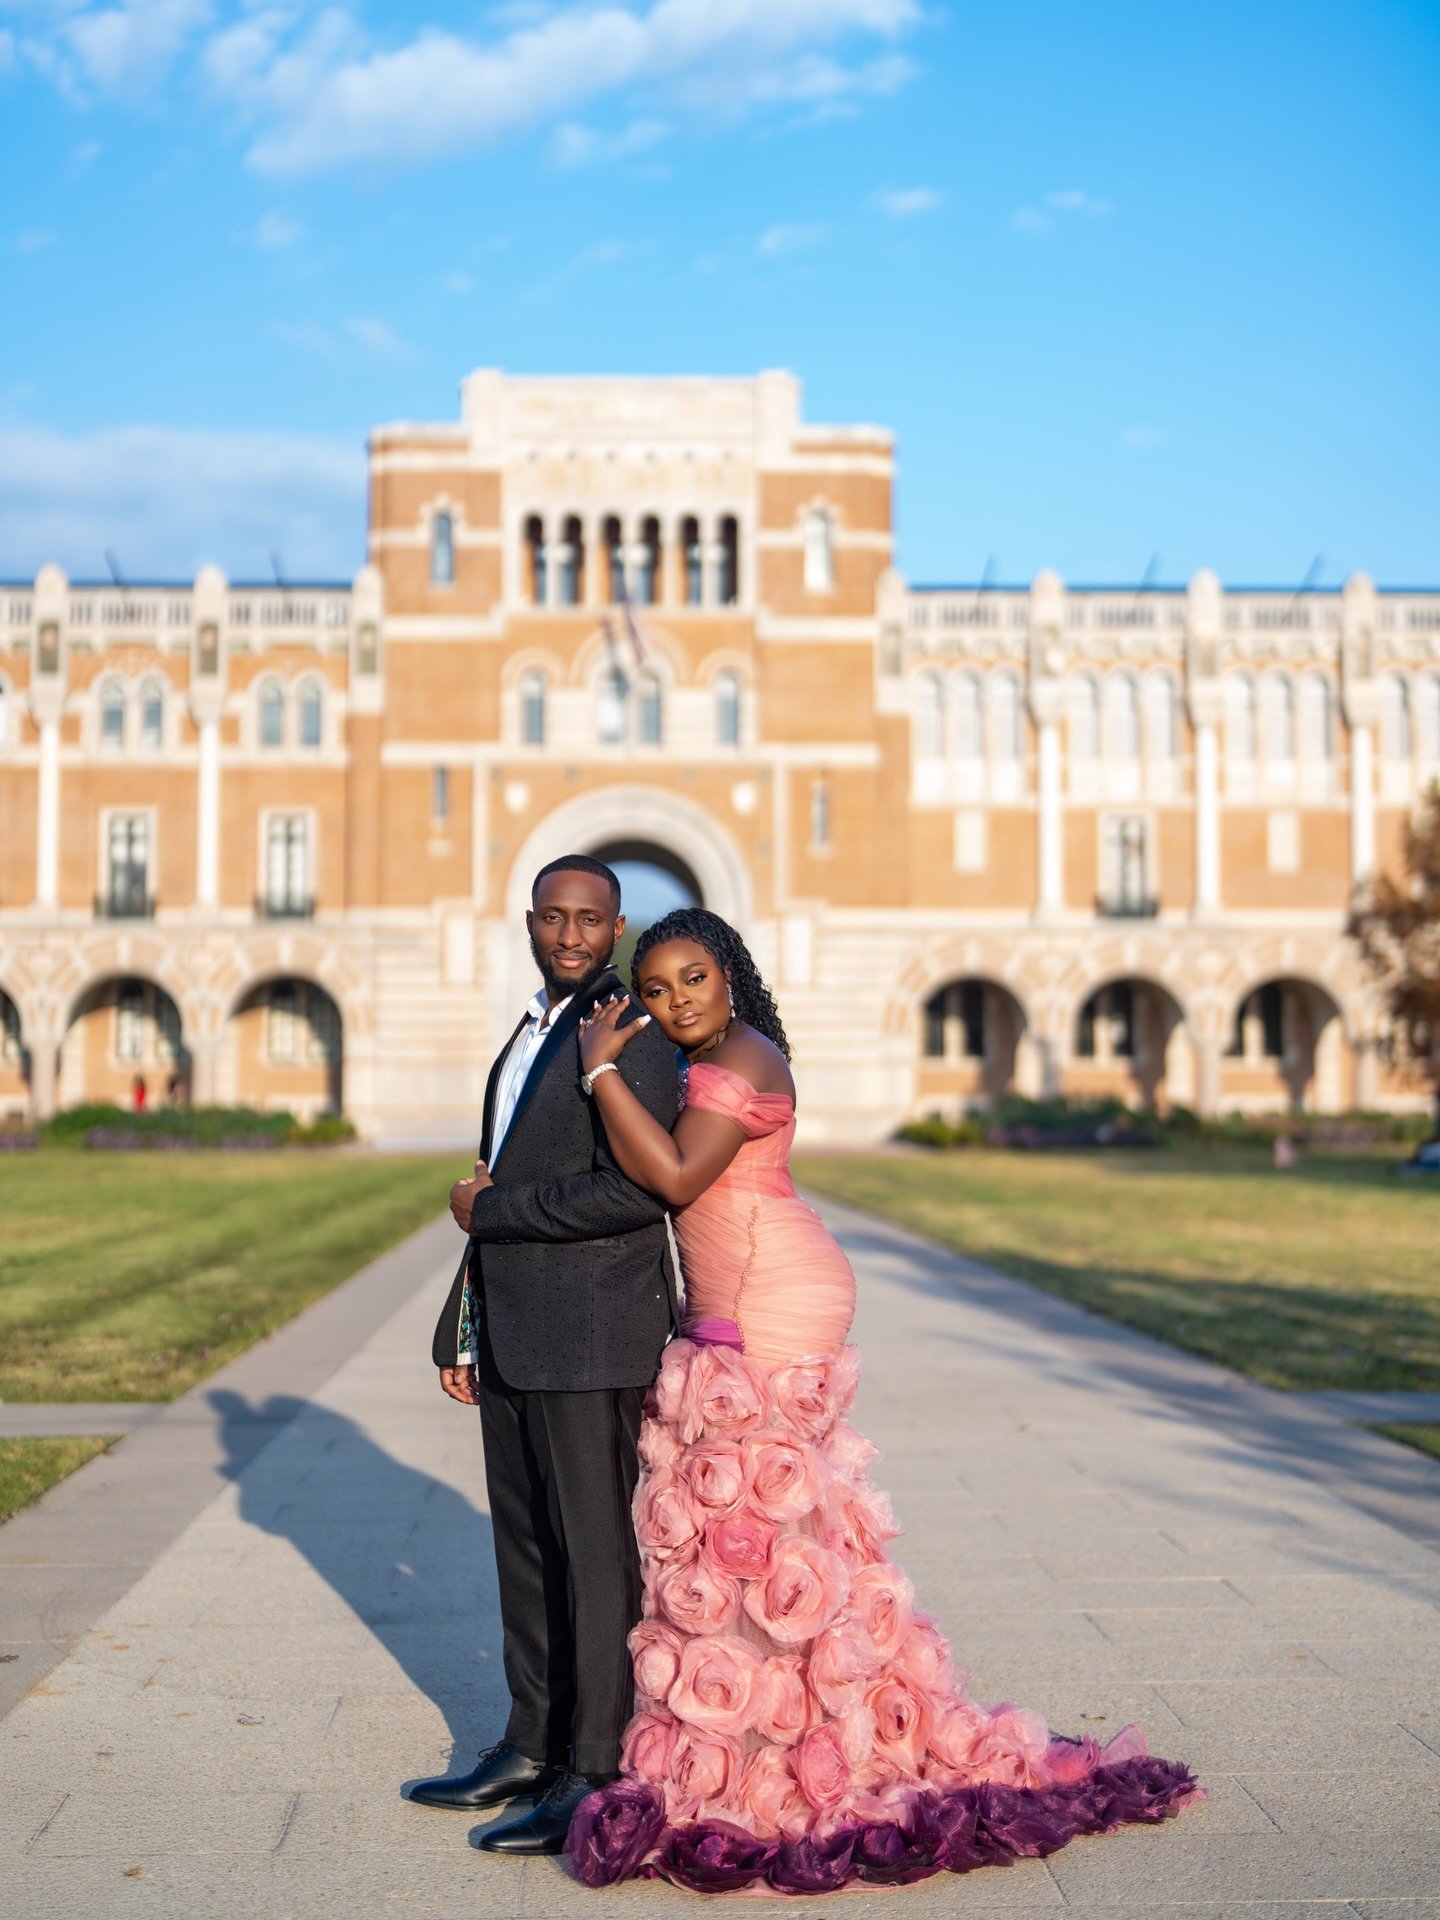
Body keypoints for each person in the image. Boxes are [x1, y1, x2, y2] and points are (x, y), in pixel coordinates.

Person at [564, 906, 1201, 1895]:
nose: (677, 999)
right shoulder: (715, 1055)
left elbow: (681, 1172)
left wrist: (602, 1072)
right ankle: (778, 1721)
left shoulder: (747, 1057)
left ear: (730, 975)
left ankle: (803, 1732)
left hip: (774, 1295)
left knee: (759, 1516)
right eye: (655, 988)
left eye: (694, 977)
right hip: (733, 1295)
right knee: (757, 1530)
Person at [406, 855, 681, 1855]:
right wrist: (463, 1322)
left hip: (596, 1332)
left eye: (591, 920)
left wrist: (498, 1211)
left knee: (594, 1554)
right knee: (524, 1548)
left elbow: (640, 1191)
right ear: (530, 922)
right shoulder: (529, 1031)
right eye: (554, 918)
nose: (570, 936)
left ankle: (594, 1764)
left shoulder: (630, 1036)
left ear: (618, 930)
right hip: (518, 1329)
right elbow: (501, 1179)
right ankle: (529, 1743)